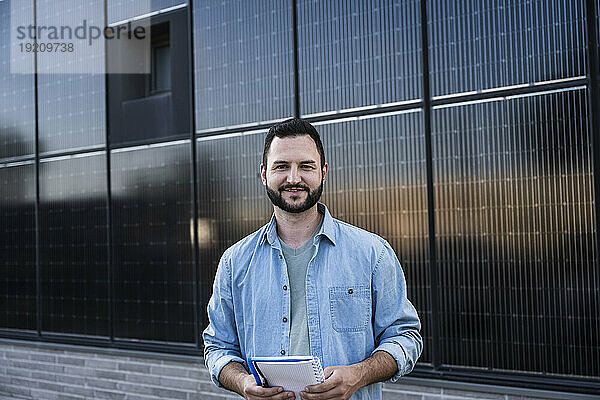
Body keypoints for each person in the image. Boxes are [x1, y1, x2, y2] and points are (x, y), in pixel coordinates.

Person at [203, 118, 422, 400]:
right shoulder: (235, 262)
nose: (294, 178)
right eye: (281, 166)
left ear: (324, 172)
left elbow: (405, 337)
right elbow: (217, 347)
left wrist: (359, 374)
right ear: (263, 174)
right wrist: (243, 382)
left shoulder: (372, 253)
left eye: (306, 166)